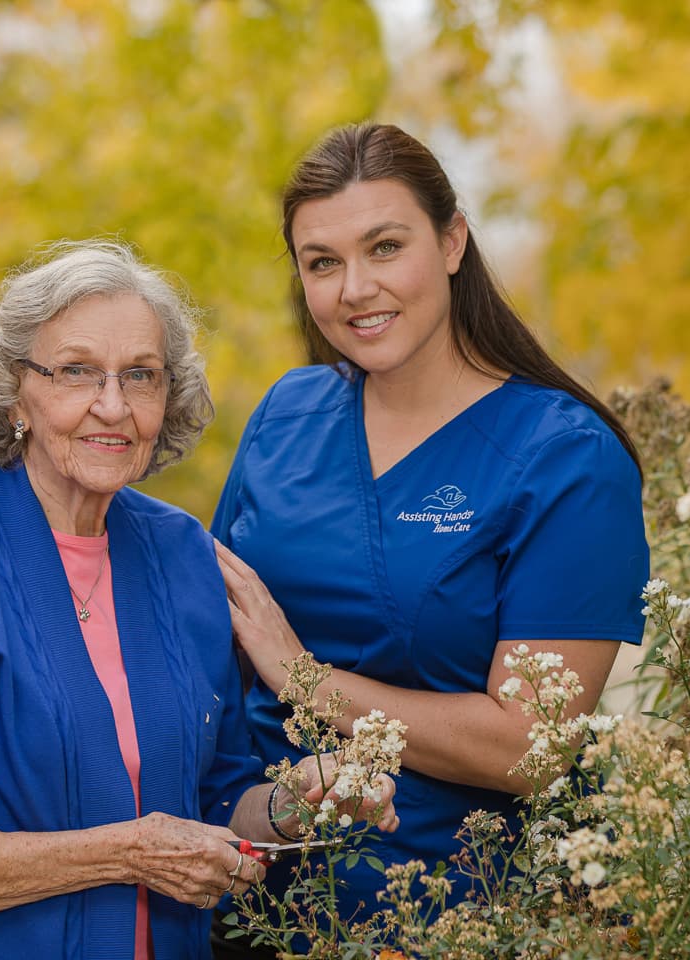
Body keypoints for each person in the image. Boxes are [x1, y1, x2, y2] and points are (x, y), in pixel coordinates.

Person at [0, 239, 397, 960]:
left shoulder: (183, 556)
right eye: (77, 371)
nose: (114, 405)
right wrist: (126, 853)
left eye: (141, 375)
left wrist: (295, 804)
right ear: (16, 392)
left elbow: (216, 800)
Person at [211, 123, 650, 929]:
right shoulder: (286, 413)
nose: (354, 289)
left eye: (385, 247)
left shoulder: (565, 458)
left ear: (453, 243)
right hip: (254, 890)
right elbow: (209, 642)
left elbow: (530, 746)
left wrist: (304, 679)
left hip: (457, 908)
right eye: (322, 263)